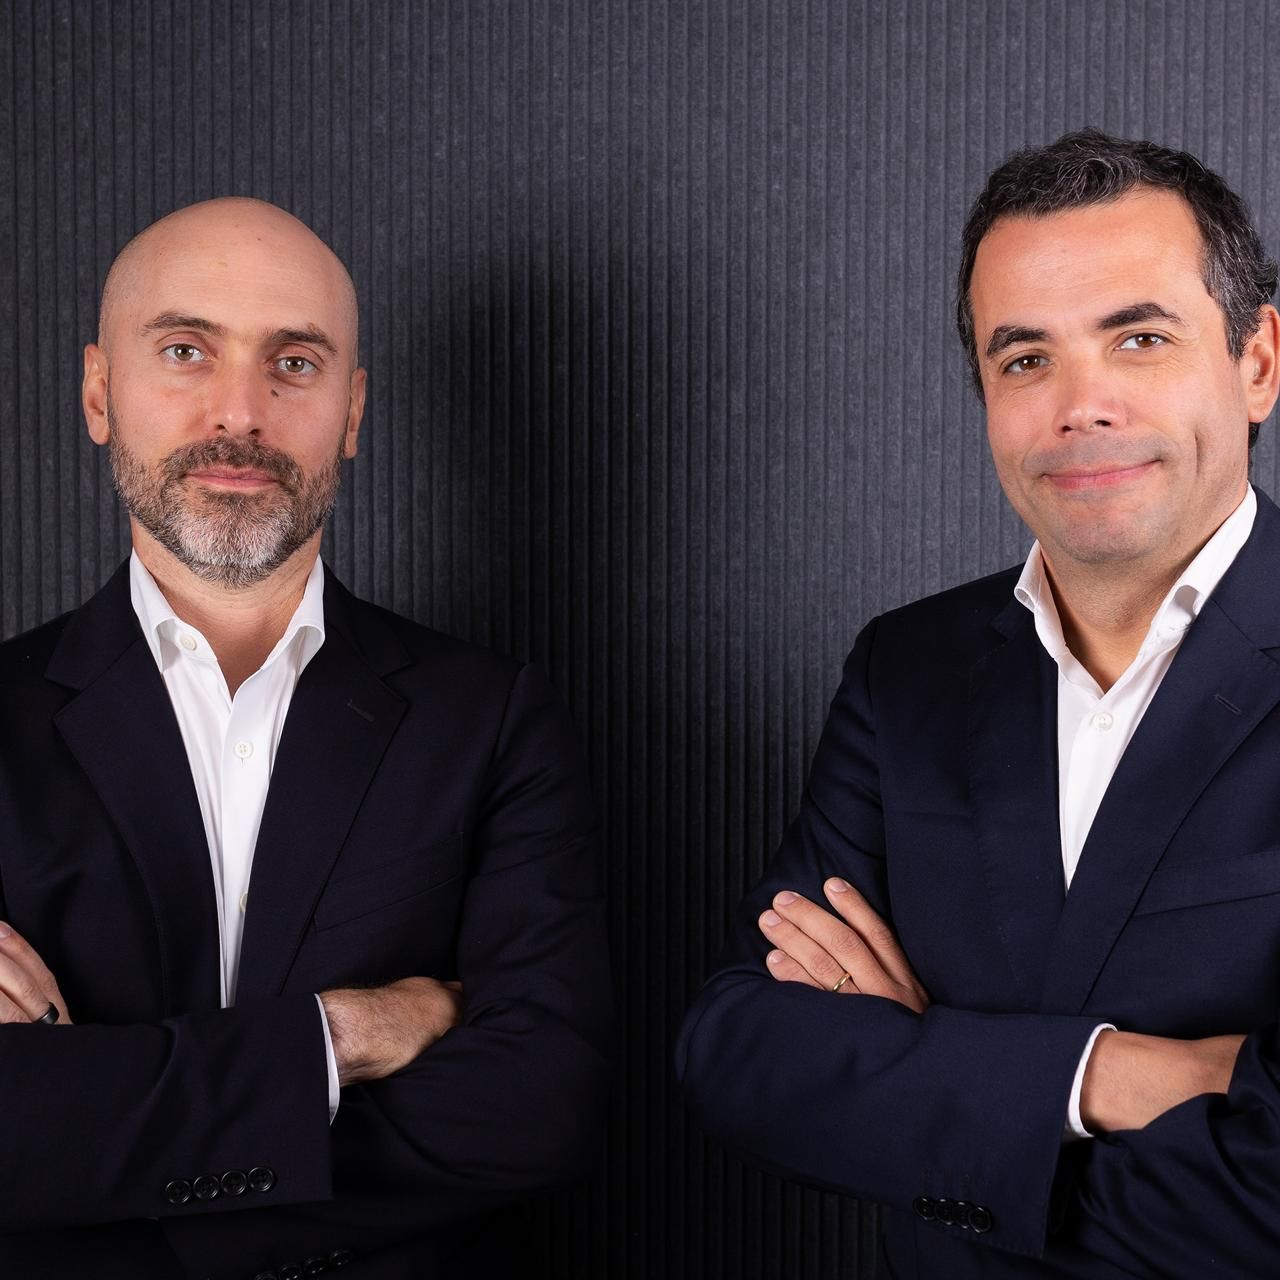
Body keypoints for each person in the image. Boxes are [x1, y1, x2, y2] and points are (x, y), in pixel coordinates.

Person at [677, 128, 1280, 1278]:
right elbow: (741, 1052)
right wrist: (1107, 1076)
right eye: (1024, 357)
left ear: (1254, 360)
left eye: (1137, 338)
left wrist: (931, 1080)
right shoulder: (905, 669)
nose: (1079, 405)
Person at [0, 197, 609, 1279]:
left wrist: (96, 1137)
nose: (240, 412)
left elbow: (536, 1107)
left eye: (293, 362)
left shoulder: (493, 718)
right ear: (98, 391)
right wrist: (339, 1035)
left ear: (352, 410)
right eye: (185, 351)